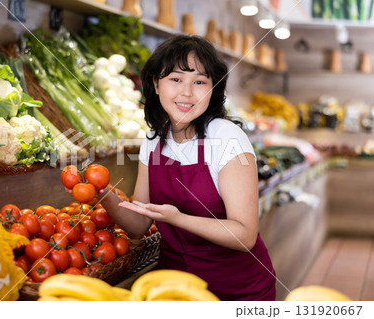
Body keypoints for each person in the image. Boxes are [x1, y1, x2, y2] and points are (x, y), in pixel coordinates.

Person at [98, 34, 276, 301]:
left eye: (200, 82)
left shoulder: (226, 138)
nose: (187, 92)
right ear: (156, 85)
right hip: (176, 288)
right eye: (176, 79)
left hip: (238, 291)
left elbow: (245, 235)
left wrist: (177, 218)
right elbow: (139, 224)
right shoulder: (154, 140)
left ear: (213, 89)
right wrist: (99, 192)